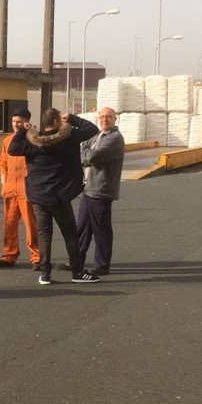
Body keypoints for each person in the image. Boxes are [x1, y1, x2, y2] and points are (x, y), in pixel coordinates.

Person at [9, 107, 99, 286]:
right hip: (60, 195)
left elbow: (12, 149)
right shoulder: (69, 137)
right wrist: (72, 118)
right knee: (70, 234)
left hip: (39, 196)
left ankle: (45, 274)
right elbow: (92, 129)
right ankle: (77, 272)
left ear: (44, 123)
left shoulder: (32, 141)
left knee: (44, 235)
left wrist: (22, 130)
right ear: (57, 122)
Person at [76, 107, 125, 278]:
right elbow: (83, 149)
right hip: (88, 189)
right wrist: (85, 154)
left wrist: (84, 155)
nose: (105, 119)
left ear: (115, 119)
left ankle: (102, 265)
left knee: (101, 229)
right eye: (102, 116)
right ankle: (76, 260)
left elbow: (94, 157)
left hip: (101, 190)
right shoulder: (97, 135)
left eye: (109, 117)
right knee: (81, 228)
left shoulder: (115, 138)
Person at [0, 108, 40, 270]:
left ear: (27, 122)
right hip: (11, 189)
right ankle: (9, 255)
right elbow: (3, 163)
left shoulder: (34, 139)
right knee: (9, 224)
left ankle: (36, 257)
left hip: (27, 189)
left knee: (31, 225)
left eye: (19, 121)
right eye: (13, 121)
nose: (15, 124)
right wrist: (4, 184)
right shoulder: (8, 141)